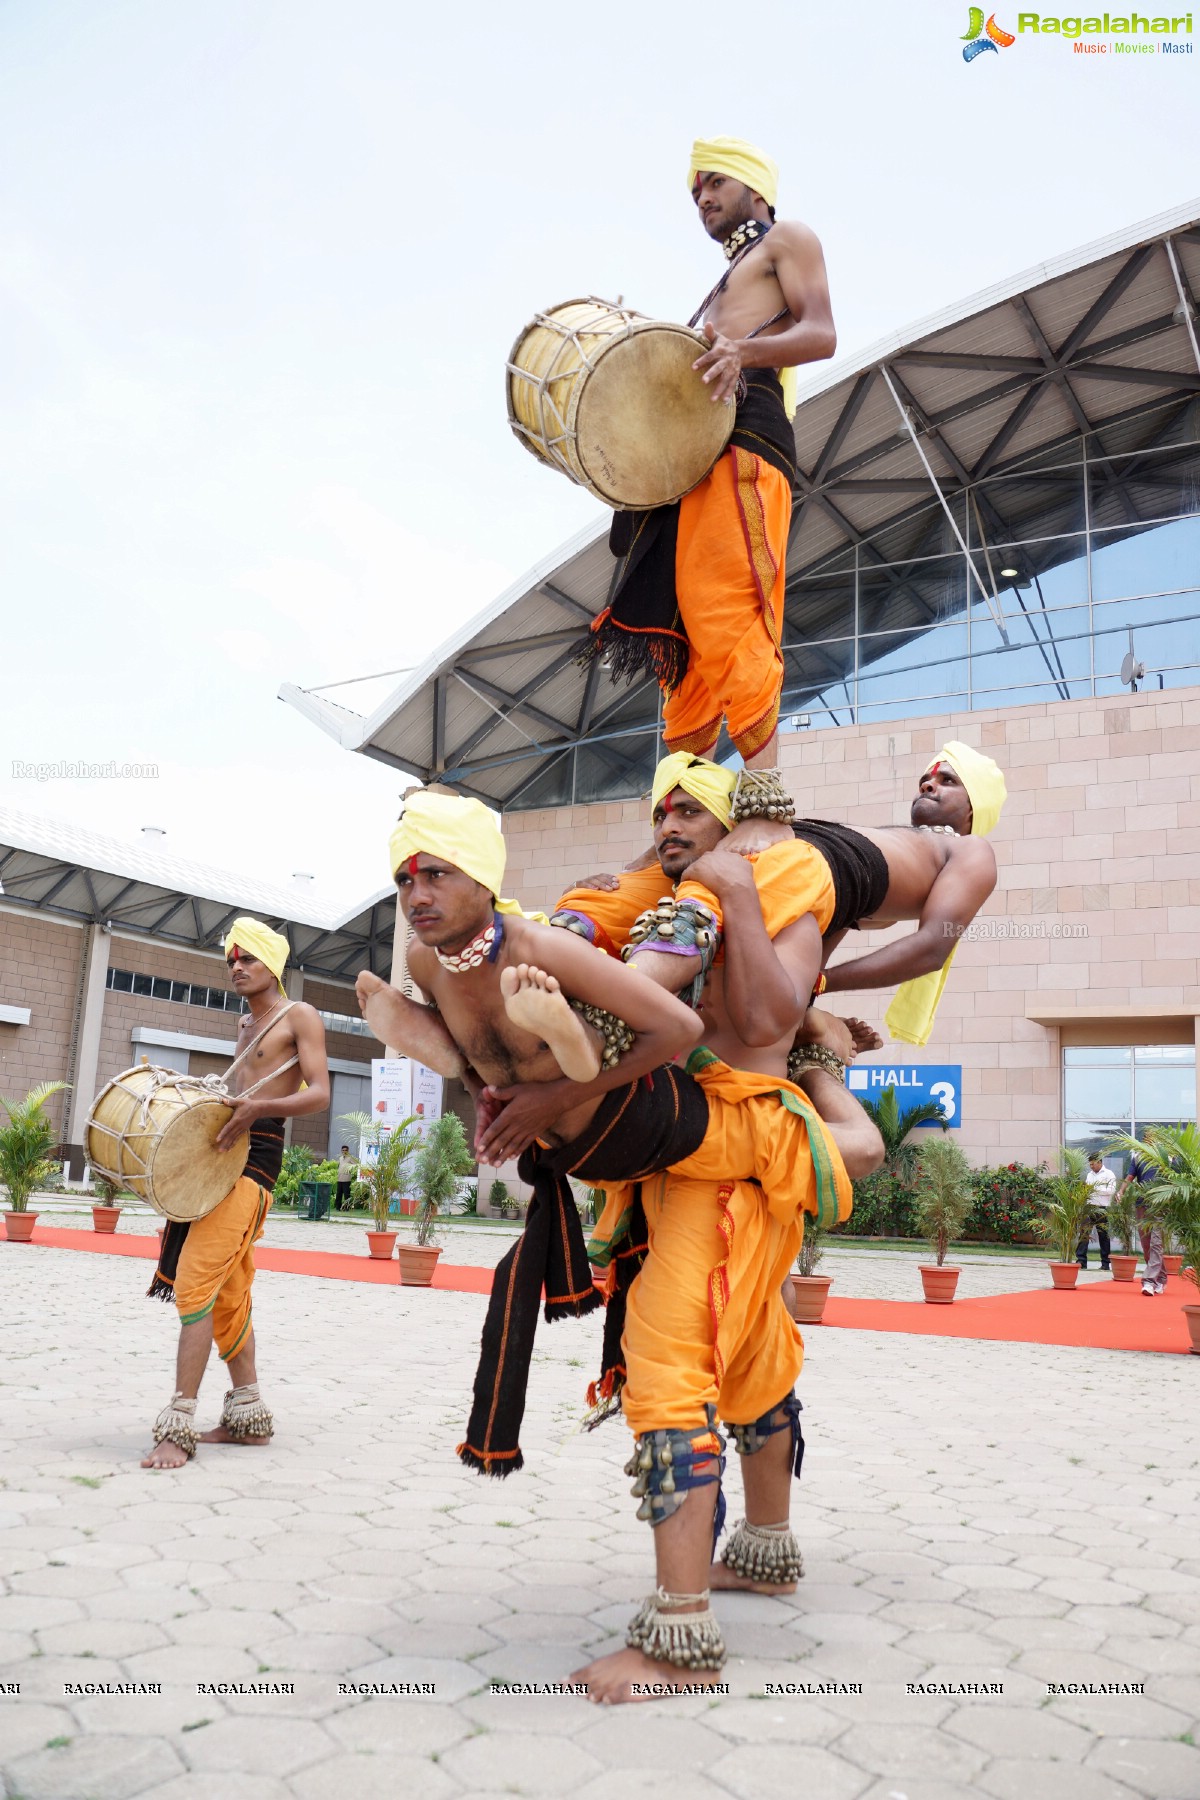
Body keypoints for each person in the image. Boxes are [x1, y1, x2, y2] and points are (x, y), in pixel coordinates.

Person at [588, 136, 835, 779]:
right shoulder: (726, 279)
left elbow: (824, 334)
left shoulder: (789, 239)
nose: (702, 198)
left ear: (756, 188)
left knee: (726, 604)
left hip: (748, 437)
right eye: (695, 192)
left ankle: (764, 790)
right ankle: (685, 800)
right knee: (687, 628)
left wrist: (741, 354)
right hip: (699, 450)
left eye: (714, 183)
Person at [556, 740, 1007, 1050]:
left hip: (801, 866)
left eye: (948, 781)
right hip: (771, 850)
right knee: (604, 902)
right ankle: (541, 977)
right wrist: (630, 872)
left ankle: (595, 1016)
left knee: (712, 942)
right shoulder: (901, 843)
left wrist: (819, 986)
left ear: (976, 808)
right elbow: (696, 816)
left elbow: (932, 947)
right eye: (928, 778)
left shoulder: (971, 849)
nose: (929, 784)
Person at [142, 919, 329, 1470]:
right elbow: (235, 1091)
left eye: (248, 958)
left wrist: (259, 1109)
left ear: (273, 963)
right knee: (228, 1293)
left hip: (255, 1162)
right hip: (219, 1156)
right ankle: (248, 1417)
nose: (237, 967)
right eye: (231, 960)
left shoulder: (300, 1016)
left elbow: (318, 1093)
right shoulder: (245, 1023)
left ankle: (178, 1424)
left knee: (196, 1282)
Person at [1078, 1153, 1116, 1272]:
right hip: (1089, 1207)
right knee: (1084, 1234)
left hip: (1102, 1207)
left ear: (1099, 1162)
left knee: (1103, 1236)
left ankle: (1105, 1263)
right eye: (1090, 1164)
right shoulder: (1089, 1175)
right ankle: (1081, 1261)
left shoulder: (1109, 1174)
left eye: (1093, 1164)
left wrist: (1094, 1188)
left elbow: (1111, 1190)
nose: (1091, 1167)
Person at [335, 1145, 357, 1211]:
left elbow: (355, 1165)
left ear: (348, 1151)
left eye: (346, 1150)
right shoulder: (340, 1158)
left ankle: (347, 1208)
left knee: (346, 1195)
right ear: (341, 1151)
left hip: (346, 1179)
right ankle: (338, 1207)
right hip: (340, 1179)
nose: (344, 1151)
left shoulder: (350, 1158)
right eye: (343, 1150)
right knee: (338, 1194)